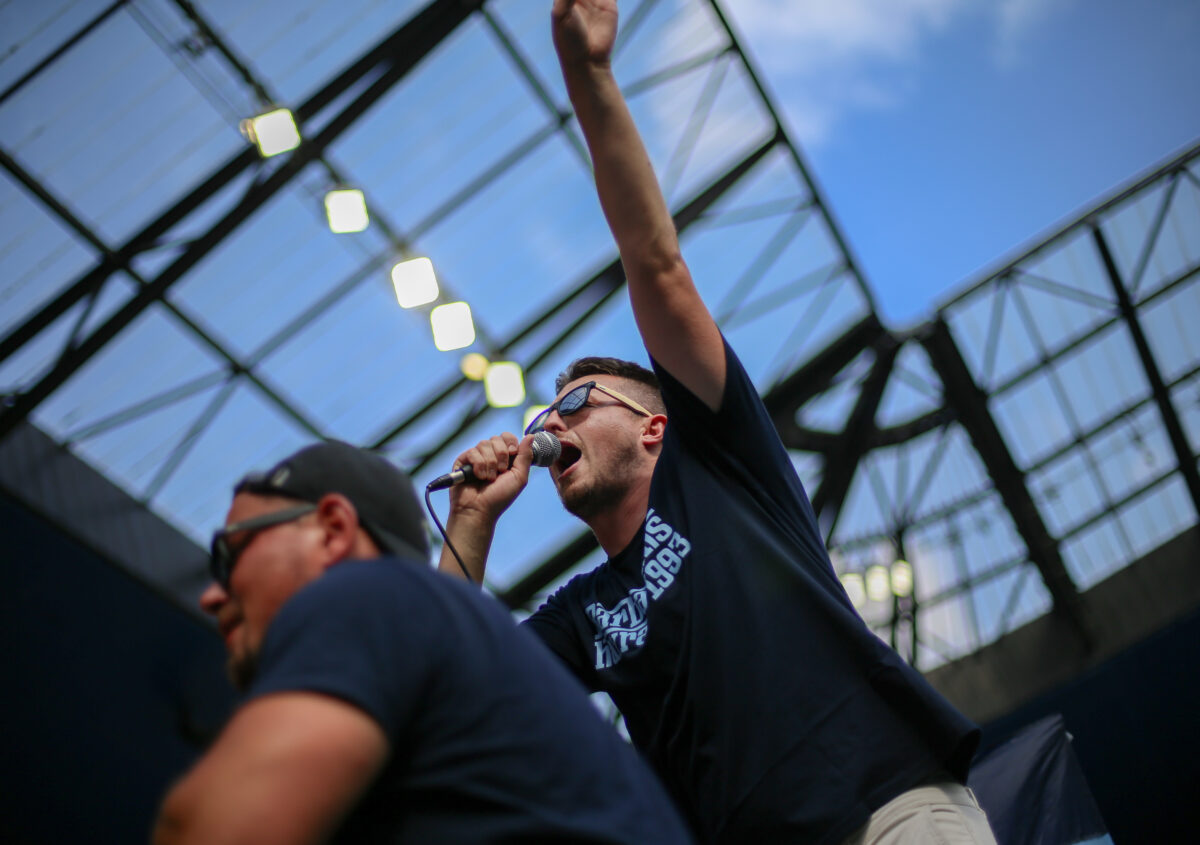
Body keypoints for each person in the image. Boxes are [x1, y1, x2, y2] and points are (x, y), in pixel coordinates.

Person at [437, 2, 998, 843]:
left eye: (578, 402)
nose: (550, 426)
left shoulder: (721, 465)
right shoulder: (584, 612)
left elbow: (656, 264)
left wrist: (589, 76)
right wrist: (471, 522)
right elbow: (446, 686)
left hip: (889, 808)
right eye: (544, 414)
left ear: (655, 427)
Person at [153, 440, 693, 844]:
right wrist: (472, 518)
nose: (211, 596)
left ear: (332, 531)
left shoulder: (365, 592)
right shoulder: (420, 643)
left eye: (230, 554)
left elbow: (210, 828)